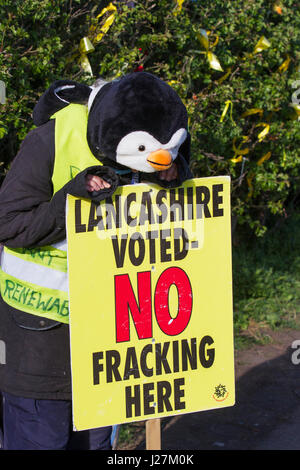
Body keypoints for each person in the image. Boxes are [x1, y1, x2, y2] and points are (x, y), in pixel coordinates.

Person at [0, 74, 192, 450]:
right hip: (41, 338)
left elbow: (173, 218)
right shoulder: (52, 140)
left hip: (111, 344)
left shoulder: (155, 142)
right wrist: (72, 201)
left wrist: (176, 172)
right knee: (43, 440)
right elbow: (7, 224)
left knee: (97, 444)